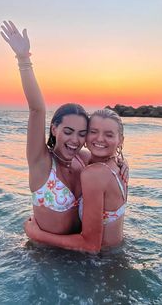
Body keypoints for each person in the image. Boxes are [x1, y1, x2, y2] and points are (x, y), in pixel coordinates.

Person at [1, 21, 128, 237]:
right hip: (45, 259)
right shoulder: (41, 162)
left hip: (77, 257)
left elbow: (106, 156)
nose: (74, 140)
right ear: (54, 129)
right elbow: (36, 109)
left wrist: (123, 162)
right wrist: (24, 59)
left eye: (81, 134)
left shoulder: (82, 158)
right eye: (68, 131)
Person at [24, 108, 127, 253]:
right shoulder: (115, 167)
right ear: (54, 129)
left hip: (99, 264)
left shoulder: (93, 173)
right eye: (93, 132)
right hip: (115, 255)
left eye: (108, 134)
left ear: (120, 140)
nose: (99, 138)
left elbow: (91, 246)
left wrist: (38, 235)